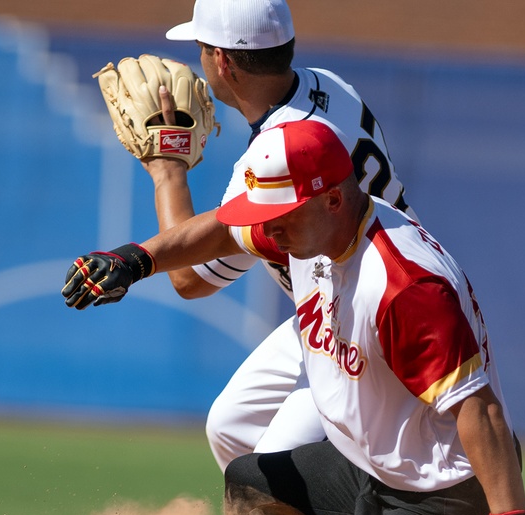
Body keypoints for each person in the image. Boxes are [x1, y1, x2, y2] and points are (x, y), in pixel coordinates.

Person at [61, 120, 525, 515]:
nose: (267, 232)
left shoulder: (404, 285)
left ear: (330, 200)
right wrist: (137, 260)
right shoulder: (307, 228)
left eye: (278, 217)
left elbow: (479, 410)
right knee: (254, 488)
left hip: (445, 507)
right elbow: (222, 230)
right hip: (377, 474)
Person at [143, 0, 410, 472]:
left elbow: (189, 280)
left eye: (203, 48)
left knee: (270, 471)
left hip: (369, 323)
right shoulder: (329, 85)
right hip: (340, 298)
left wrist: (168, 172)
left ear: (223, 61)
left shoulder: (276, 152)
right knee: (231, 425)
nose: (200, 60)